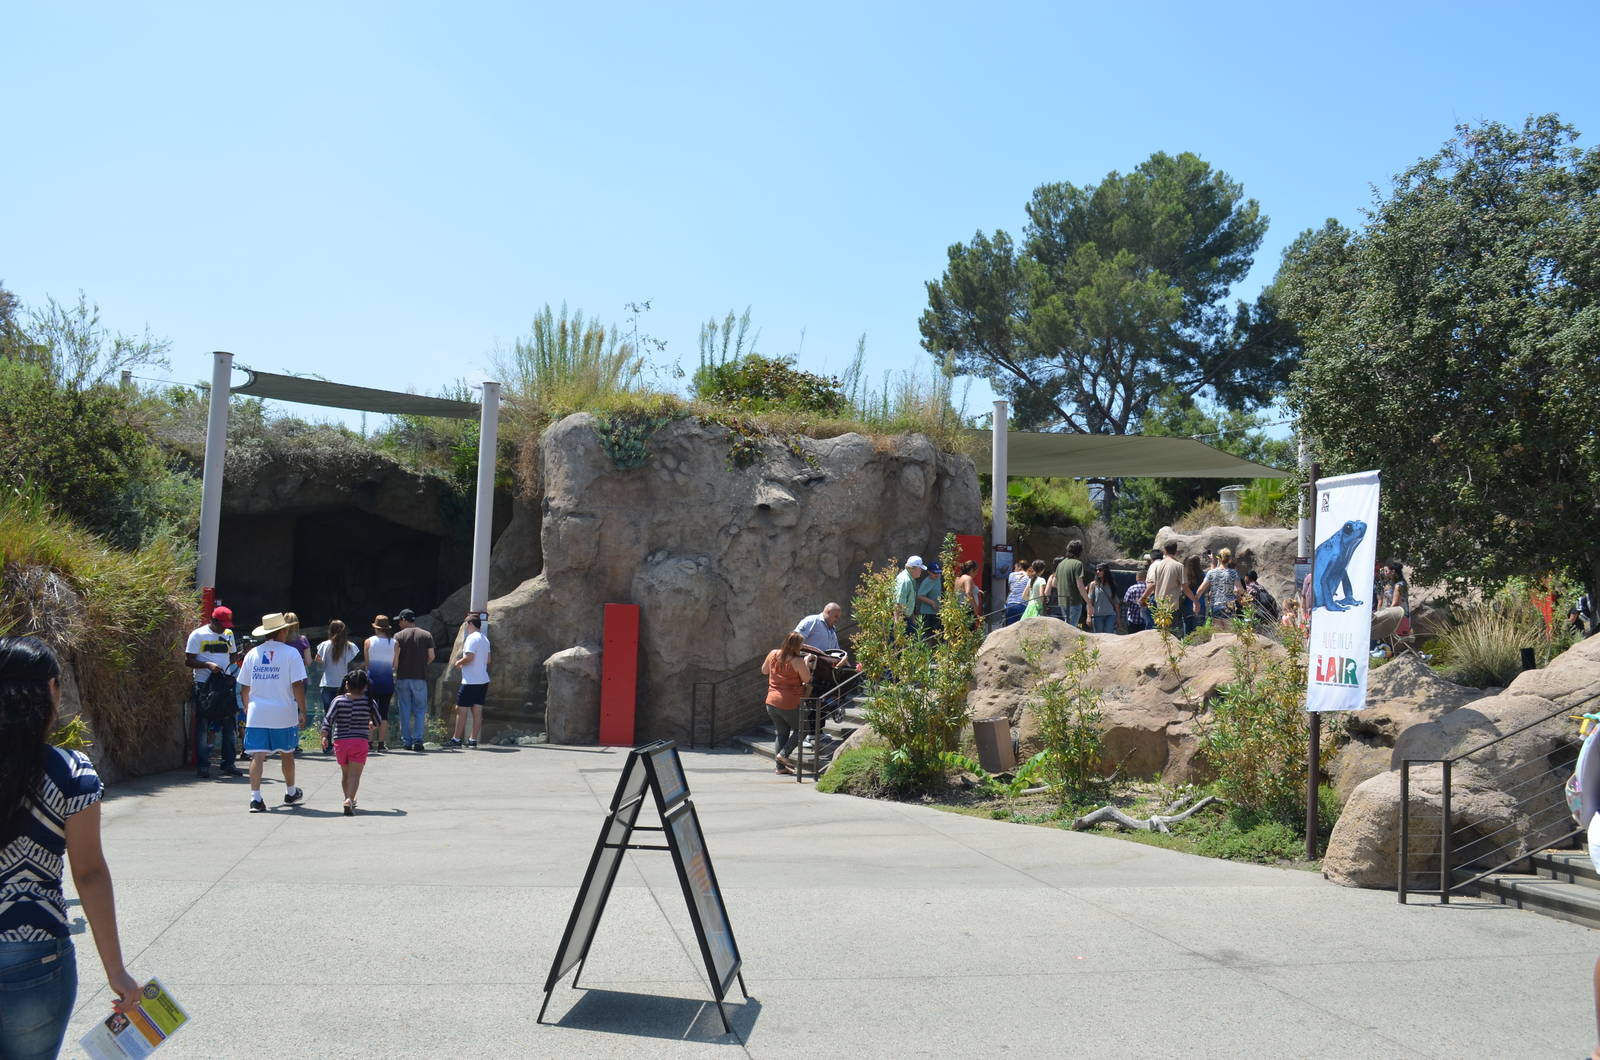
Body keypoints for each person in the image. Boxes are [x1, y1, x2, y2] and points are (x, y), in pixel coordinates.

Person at [0, 637, 141, 1058]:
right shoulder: (71, 772)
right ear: (52, 691)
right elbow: (89, 874)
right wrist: (116, 972)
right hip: (36, 950)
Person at [238, 612, 309, 812]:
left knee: (257, 756)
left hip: (257, 712)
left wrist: (247, 705)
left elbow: (244, 685)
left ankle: (255, 798)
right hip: (283, 712)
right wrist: (301, 710)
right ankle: (290, 791)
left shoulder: (253, 653)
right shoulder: (291, 653)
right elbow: (297, 684)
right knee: (287, 752)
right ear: (283, 631)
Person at [184, 604, 240, 779]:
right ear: (213, 620)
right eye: (222, 624)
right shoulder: (198, 635)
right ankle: (203, 766)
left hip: (224, 684)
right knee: (203, 726)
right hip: (204, 685)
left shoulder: (228, 635)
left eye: (227, 625)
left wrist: (229, 668)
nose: (224, 628)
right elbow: (189, 661)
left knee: (229, 725)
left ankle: (228, 763)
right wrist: (207, 665)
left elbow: (232, 655)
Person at [322, 668, 382, 815]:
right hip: (359, 742)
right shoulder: (369, 702)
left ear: (347, 684)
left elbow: (328, 719)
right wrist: (370, 725)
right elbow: (378, 721)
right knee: (355, 775)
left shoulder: (338, 700)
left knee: (346, 774)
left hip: (340, 742)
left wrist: (324, 735)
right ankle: (350, 799)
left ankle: (347, 798)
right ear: (365, 686)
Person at [761, 632, 811, 776]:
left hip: (771, 701)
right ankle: (784, 754)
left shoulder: (773, 654)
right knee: (803, 728)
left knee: (781, 733)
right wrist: (806, 663)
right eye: (801, 644)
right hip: (789, 702)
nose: (802, 647)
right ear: (797, 646)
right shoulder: (798, 661)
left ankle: (780, 767)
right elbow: (807, 680)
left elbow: (764, 671)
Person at [392, 608, 435, 753]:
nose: (398, 623)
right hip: (420, 678)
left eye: (399, 620)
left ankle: (406, 741)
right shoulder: (426, 635)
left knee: (404, 709)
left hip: (403, 678)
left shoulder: (398, 636)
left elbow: (395, 659)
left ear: (404, 619)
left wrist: (396, 670)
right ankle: (418, 740)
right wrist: (422, 665)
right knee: (420, 710)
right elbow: (432, 656)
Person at [448, 615, 491, 749]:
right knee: (477, 711)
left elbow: (470, 657)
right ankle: (473, 739)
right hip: (483, 680)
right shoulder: (485, 638)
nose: (465, 626)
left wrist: (458, 662)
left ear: (471, 623)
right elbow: (488, 660)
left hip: (470, 681)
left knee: (461, 710)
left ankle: (456, 739)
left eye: (466, 623)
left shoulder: (471, 638)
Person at [315, 619, 361, 740]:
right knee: (344, 715)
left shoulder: (324, 645)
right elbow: (352, 658)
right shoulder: (350, 646)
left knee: (328, 716)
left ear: (330, 630)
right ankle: (341, 740)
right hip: (343, 685)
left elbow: (317, 659)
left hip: (327, 683)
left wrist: (324, 661)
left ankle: (327, 743)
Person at [364, 615, 396, 751]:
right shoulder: (395, 643)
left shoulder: (368, 642)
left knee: (369, 712)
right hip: (388, 681)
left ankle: (369, 742)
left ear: (375, 628)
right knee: (384, 713)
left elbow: (367, 663)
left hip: (371, 682)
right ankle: (381, 744)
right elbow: (395, 665)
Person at [1142, 542, 1186, 629]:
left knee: (1154, 627)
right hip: (1172, 603)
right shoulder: (1178, 565)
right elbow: (1184, 586)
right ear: (1176, 551)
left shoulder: (1155, 566)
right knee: (1171, 629)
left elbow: (1152, 584)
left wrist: (1143, 598)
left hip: (1157, 601)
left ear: (1165, 551)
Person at [1200, 547, 1245, 628]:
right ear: (1229, 559)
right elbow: (1240, 590)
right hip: (1229, 605)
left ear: (1219, 559)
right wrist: (1239, 596)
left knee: (1218, 634)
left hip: (1216, 605)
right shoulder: (1233, 573)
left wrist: (1196, 600)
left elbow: (1200, 590)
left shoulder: (1211, 573)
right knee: (1229, 634)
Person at [1054, 541, 1088, 628]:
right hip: (1074, 602)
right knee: (1071, 630)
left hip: (1062, 601)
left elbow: (1054, 584)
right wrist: (1089, 603)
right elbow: (1080, 586)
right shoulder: (1078, 564)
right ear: (1079, 552)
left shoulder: (1060, 564)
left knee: (1066, 627)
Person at [894, 557, 925, 637]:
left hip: (906, 618)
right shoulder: (905, 581)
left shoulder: (910, 579)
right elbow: (898, 602)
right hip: (900, 618)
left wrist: (912, 618)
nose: (921, 571)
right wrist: (897, 623)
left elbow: (909, 602)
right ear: (912, 568)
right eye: (920, 568)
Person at [916, 560, 943, 639]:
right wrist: (932, 603)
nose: (937, 575)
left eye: (938, 572)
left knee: (937, 635)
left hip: (936, 612)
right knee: (927, 636)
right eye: (934, 573)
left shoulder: (938, 578)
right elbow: (920, 596)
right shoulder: (927, 582)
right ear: (929, 572)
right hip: (927, 613)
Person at [1182, 555, 1207, 633]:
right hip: (1200, 605)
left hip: (1186, 606)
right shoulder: (1203, 576)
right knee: (1198, 633)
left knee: (1187, 632)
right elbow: (1205, 590)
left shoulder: (1185, 576)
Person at [1003, 560, 1030, 627]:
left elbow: (1010, 587)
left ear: (1019, 567)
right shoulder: (1029, 576)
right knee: (1022, 628)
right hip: (1022, 604)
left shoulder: (1011, 575)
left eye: (1015, 568)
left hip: (1010, 604)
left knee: (1010, 628)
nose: (1014, 569)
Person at [1388, 562, 1412, 636]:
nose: (1387, 573)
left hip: (1399, 618)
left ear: (1393, 572)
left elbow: (1395, 603)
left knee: (1398, 641)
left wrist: (1385, 615)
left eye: (1388, 571)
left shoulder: (1398, 586)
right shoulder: (1403, 583)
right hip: (1405, 616)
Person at [1124, 564, 1149, 633]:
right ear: (1146, 578)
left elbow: (1126, 601)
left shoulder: (1132, 588)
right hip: (1145, 620)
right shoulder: (1149, 589)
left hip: (1132, 619)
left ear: (1137, 578)